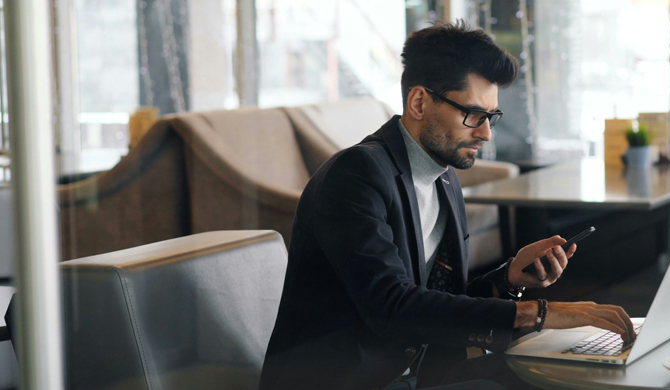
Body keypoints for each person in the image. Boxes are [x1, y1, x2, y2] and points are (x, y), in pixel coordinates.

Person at [259, 21, 635, 390]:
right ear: (419, 102)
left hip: (415, 375)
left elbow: (437, 302)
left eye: (491, 117)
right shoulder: (356, 174)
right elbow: (391, 307)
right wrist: (541, 313)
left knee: (568, 377)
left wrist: (508, 280)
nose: (486, 132)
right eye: (473, 114)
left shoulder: (443, 176)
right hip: (347, 380)